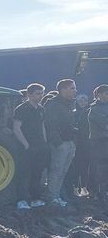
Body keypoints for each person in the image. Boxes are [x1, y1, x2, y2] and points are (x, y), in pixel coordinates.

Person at [44, 79, 79, 207]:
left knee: (63, 171)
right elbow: (50, 125)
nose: (75, 90)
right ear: (63, 90)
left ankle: (57, 196)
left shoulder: (69, 104)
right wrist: (58, 143)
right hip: (60, 143)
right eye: (72, 88)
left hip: (70, 142)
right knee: (56, 171)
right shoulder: (53, 104)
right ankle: (52, 198)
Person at [14, 83, 49, 209]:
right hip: (26, 147)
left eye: (42, 93)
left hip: (40, 146)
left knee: (37, 173)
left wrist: (44, 143)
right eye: (37, 93)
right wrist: (26, 145)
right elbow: (17, 128)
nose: (40, 96)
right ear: (29, 94)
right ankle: (21, 200)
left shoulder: (41, 109)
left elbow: (42, 126)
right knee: (24, 174)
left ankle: (35, 199)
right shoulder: (21, 109)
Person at [87, 85, 108, 199]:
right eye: (106, 93)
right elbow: (105, 125)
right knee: (99, 168)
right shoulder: (95, 109)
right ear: (98, 95)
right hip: (99, 142)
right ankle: (98, 192)